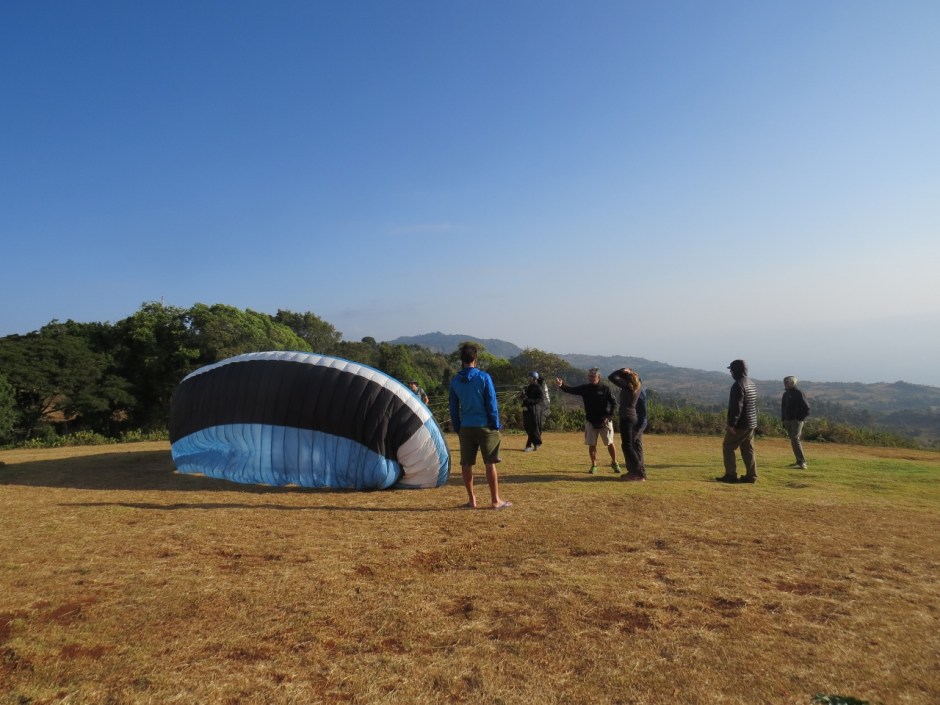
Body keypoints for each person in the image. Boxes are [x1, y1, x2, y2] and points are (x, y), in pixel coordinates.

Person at [448, 343, 511, 509]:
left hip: (466, 427)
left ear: (461, 360)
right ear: (475, 359)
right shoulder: (484, 377)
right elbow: (491, 403)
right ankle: (495, 500)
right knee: (490, 463)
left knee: (466, 464)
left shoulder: (455, 381)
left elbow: (453, 408)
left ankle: (472, 500)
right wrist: (495, 424)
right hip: (485, 427)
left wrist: (458, 427)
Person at [556, 367, 620, 474]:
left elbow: (614, 403)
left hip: (605, 421)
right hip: (590, 421)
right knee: (592, 444)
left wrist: (609, 416)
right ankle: (594, 465)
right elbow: (571, 390)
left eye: (593, 376)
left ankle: (614, 462)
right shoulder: (585, 388)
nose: (591, 378)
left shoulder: (605, 389)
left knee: (610, 443)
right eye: (589, 376)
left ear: (598, 377)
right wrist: (561, 385)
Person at [717, 359, 758, 484]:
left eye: (731, 370)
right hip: (751, 422)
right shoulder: (751, 383)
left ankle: (730, 475)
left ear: (735, 370)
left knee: (728, 447)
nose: (731, 373)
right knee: (748, 449)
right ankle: (751, 476)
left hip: (741, 424)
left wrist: (731, 424)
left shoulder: (738, 385)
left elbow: (737, 407)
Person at [608, 368, 647, 481]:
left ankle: (639, 473)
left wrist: (622, 370)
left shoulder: (628, 387)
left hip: (627, 419)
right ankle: (634, 472)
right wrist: (630, 373)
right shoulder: (637, 387)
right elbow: (637, 379)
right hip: (631, 418)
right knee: (629, 446)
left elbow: (612, 377)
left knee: (628, 446)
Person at [781, 376, 810, 469]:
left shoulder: (799, 393)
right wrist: (783, 420)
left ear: (793, 383)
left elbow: (807, 408)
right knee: (794, 440)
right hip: (787, 420)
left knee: (795, 439)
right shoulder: (785, 394)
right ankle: (799, 461)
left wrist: (799, 418)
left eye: (787, 382)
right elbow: (783, 407)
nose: (785, 384)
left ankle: (802, 462)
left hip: (796, 421)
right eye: (784, 382)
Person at [520, 371, 548, 451]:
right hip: (527, 410)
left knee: (534, 428)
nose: (529, 379)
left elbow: (540, 399)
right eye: (528, 378)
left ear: (535, 379)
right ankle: (535, 444)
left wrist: (529, 400)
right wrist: (522, 396)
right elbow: (525, 398)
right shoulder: (528, 387)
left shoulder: (539, 388)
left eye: (530, 378)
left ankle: (530, 445)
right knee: (528, 428)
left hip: (535, 411)